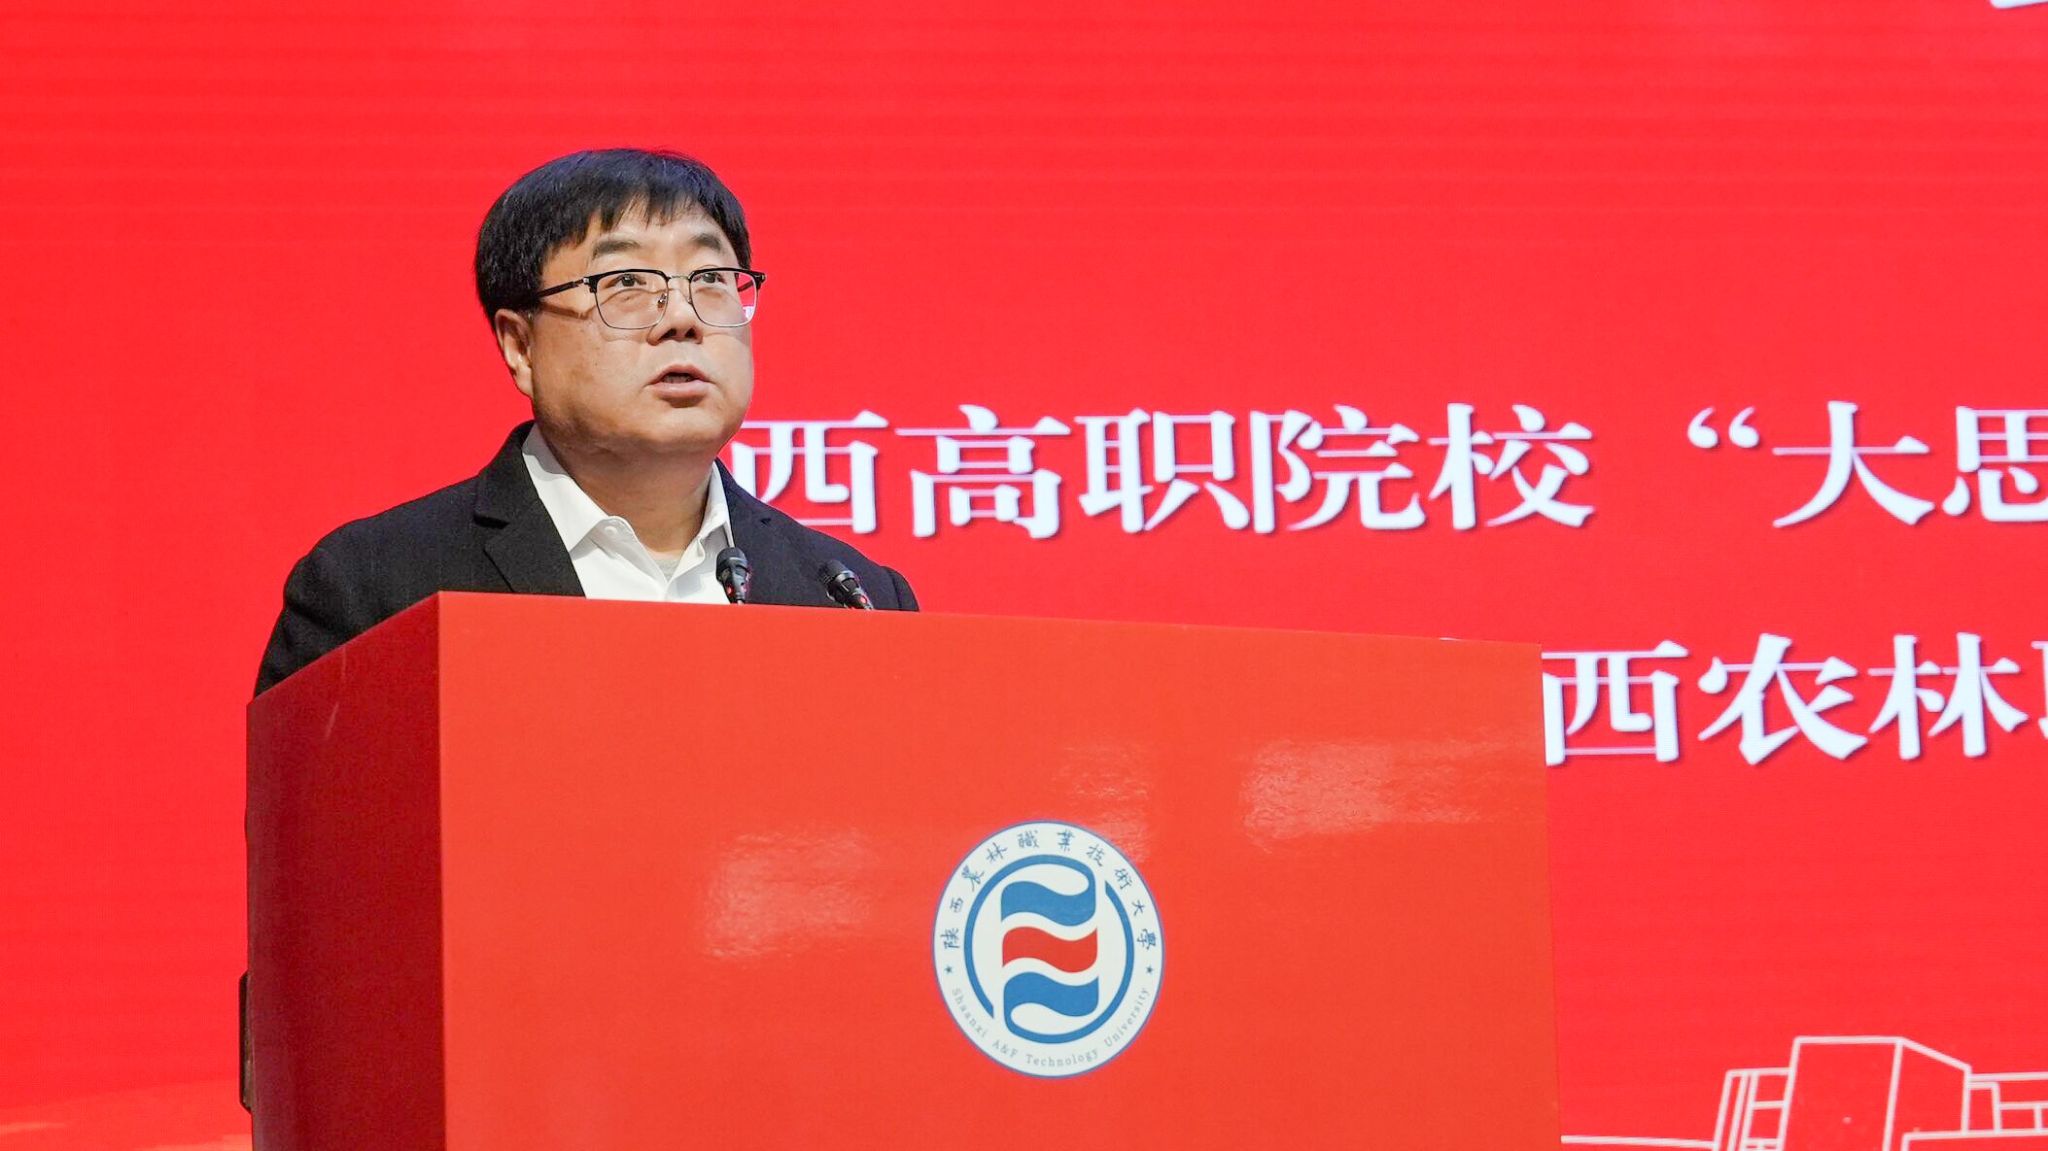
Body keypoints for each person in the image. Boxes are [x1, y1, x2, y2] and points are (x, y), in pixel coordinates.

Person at [253, 149, 915, 696]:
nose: (681, 318)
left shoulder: (853, 596)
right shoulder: (378, 587)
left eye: (711, 278)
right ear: (521, 346)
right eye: (625, 283)